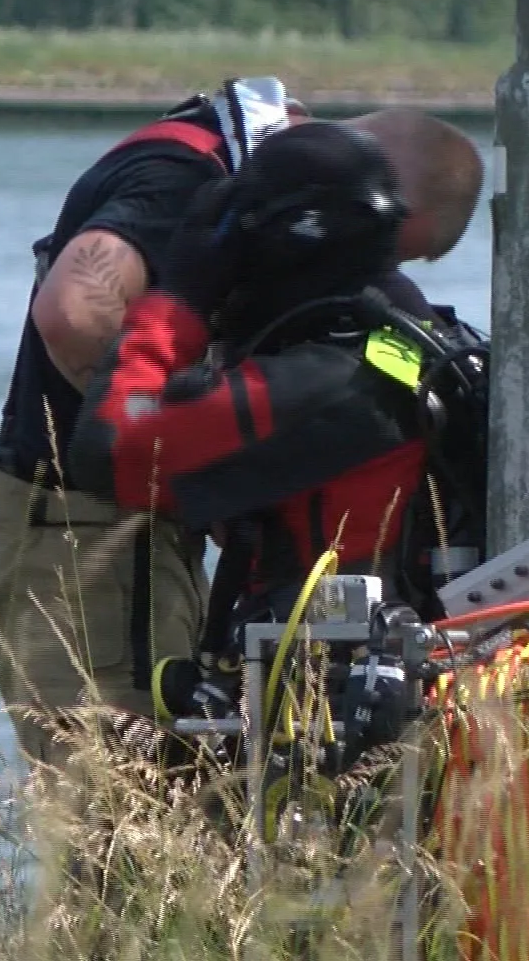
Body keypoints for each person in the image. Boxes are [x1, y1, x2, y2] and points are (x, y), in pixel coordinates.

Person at [66, 116, 488, 727]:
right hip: (393, 683)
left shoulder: (326, 380)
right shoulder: (399, 344)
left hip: (332, 712)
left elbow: (114, 454)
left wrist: (179, 300)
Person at [0, 77, 302, 767]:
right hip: (95, 536)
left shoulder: (188, 159)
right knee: (118, 816)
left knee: (145, 809)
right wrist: (173, 461)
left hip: (94, 533)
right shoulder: (188, 180)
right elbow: (74, 314)